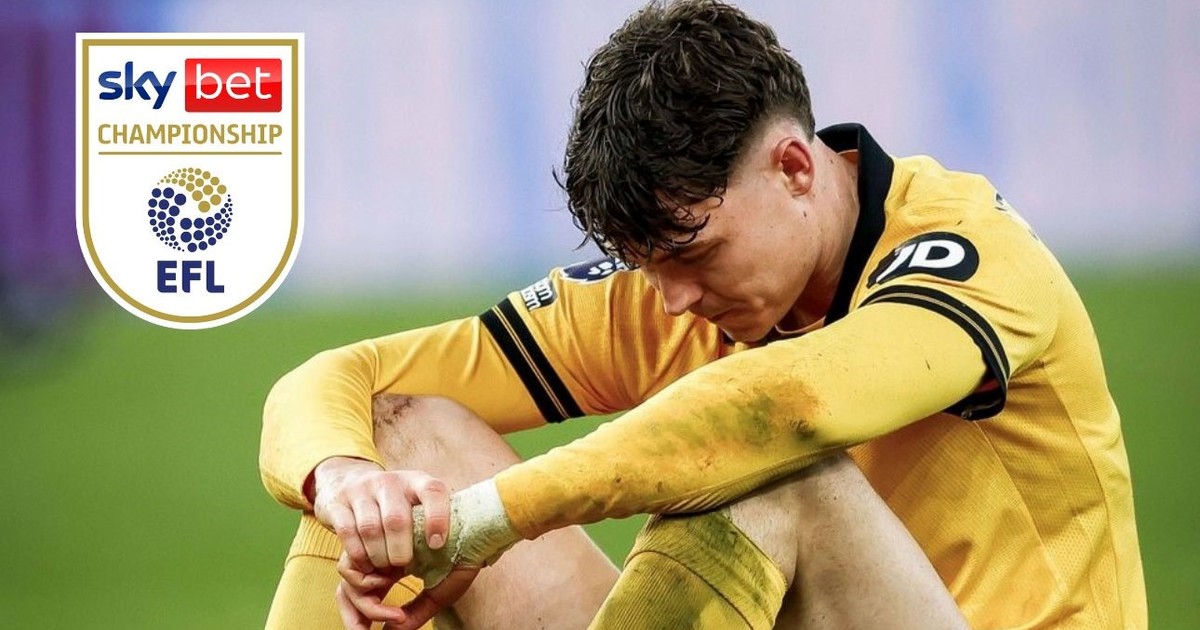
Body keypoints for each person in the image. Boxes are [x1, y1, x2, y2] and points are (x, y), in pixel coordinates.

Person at [260, 1, 1147, 628]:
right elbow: (344, 382)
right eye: (647, 265)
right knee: (398, 449)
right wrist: (345, 482)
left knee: (777, 473)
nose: (673, 299)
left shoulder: (973, 255)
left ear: (794, 168)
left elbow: (785, 408)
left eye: (692, 252)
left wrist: (486, 521)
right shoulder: (674, 289)